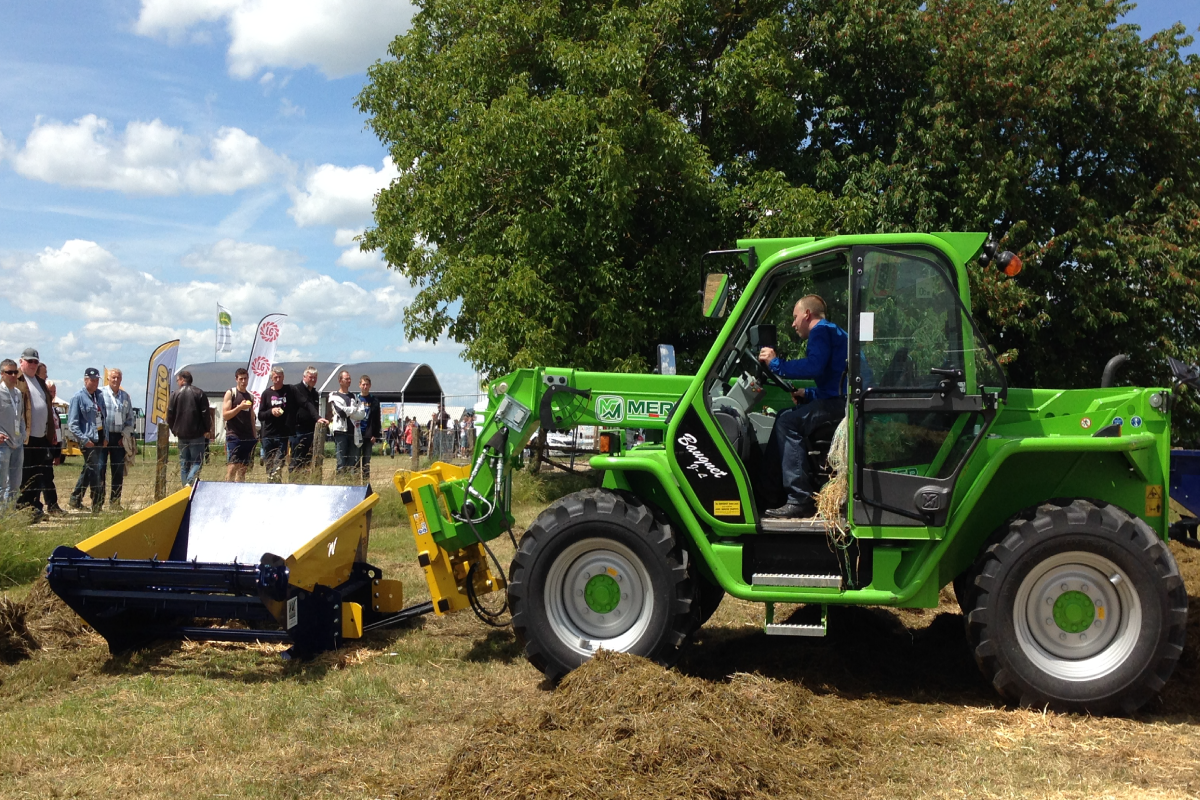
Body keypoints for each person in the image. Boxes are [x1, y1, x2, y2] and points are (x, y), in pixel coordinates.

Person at [757, 295, 849, 519]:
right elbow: (833, 385)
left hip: (842, 405)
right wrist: (806, 393)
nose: (793, 324)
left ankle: (799, 498)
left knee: (788, 422)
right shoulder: (833, 332)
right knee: (784, 415)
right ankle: (769, 492)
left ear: (807, 314)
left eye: (795, 317)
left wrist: (775, 364)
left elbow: (814, 366)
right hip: (840, 400)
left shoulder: (821, 331)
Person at [15, 348, 58, 519]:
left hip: (42, 437)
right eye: (29, 361)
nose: (33, 364)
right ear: (21, 362)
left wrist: (51, 433)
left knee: (38, 475)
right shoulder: (17, 380)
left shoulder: (40, 382)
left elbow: (47, 408)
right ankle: (22, 508)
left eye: (35, 362)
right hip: (25, 438)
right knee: (25, 475)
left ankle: (34, 507)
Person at [68, 367, 107, 510]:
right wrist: (84, 440)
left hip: (100, 438)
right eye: (92, 380)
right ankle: (97, 504)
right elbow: (72, 424)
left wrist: (106, 437)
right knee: (94, 471)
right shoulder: (77, 397)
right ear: (85, 380)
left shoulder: (100, 396)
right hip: (88, 440)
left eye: (97, 380)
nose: (95, 382)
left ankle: (75, 498)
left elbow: (104, 418)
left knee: (89, 469)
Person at [166, 370, 212, 487]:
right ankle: (190, 483)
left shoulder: (174, 394)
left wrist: (174, 429)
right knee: (197, 461)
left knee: (184, 464)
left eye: (178, 380)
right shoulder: (199, 393)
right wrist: (207, 429)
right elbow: (205, 414)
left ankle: (185, 490)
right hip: (197, 434)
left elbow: (169, 415)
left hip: (181, 434)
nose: (177, 382)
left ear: (182, 380)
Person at [99, 368, 135, 509]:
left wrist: (124, 435)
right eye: (113, 377)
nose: (115, 380)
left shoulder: (125, 397)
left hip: (119, 437)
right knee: (100, 469)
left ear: (121, 379)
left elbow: (130, 420)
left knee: (118, 470)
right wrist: (101, 435)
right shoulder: (100, 393)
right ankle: (98, 502)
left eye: (118, 377)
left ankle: (115, 502)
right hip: (103, 436)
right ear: (108, 378)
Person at [258, 366, 295, 483]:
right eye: (275, 377)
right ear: (271, 378)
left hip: (282, 434)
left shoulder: (289, 391)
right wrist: (271, 411)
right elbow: (260, 415)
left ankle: (277, 483)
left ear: (283, 377)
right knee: (269, 465)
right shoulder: (266, 393)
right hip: (268, 434)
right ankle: (270, 484)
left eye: (280, 377)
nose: (278, 379)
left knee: (279, 464)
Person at [327, 370, 365, 478]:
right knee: (341, 462)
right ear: (340, 380)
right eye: (346, 378)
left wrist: (349, 411)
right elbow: (341, 413)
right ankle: (340, 483)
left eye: (349, 378)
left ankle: (350, 483)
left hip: (353, 432)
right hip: (340, 432)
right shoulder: (334, 396)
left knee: (352, 462)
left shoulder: (354, 396)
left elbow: (362, 413)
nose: (349, 380)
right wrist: (353, 410)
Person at [290, 366, 327, 479]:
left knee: (308, 459)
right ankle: (294, 481)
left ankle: (305, 481)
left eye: (315, 377)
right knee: (297, 458)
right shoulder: (296, 389)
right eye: (311, 377)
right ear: (304, 377)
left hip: (311, 430)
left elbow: (314, 409)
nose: (313, 380)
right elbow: (305, 406)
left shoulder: (315, 393)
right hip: (298, 430)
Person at [221, 368, 257, 483]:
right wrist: (239, 408)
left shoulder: (250, 396)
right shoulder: (231, 393)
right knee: (232, 466)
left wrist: (254, 435)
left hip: (248, 435)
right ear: (236, 379)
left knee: (243, 469)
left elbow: (252, 417)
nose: (243, 381)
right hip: (234, 435)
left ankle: (239, 490)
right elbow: (225, 415)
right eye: (241, 379)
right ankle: (227, 488)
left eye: (245, 379)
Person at [0, 360, 25, 506]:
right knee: (2, 484)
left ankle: (9, 514)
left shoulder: (18, 393)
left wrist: (22, 434)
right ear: (2, 374)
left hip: (17, 443)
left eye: (16, 372)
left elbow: (20, 417)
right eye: (9, 372)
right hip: (3, 443)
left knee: (15, 484)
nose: (13, 375)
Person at [355, 375, 382, 480]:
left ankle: (366, 483)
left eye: (367, 384)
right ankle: (356, 483)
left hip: (368, 434)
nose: (365, 387)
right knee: (356, 460)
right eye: (363, 384)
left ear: (370, 385)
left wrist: (375, 435)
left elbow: (377, 419)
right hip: (357, 433)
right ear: (359, 385)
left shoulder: (374, 400)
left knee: (366, 461)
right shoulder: (355, 399)